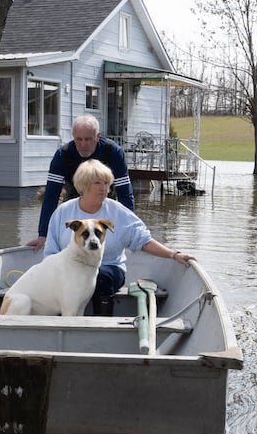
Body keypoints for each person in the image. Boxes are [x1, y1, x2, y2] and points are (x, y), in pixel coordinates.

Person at [44, 159, 194, 315]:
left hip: (110, 269)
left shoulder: (118, 211)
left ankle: (102, 323)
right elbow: (51, 252)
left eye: (107, 183)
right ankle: (60, 325)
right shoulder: (63, 212)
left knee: (100, 276)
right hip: (71, 271)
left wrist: (173, 254)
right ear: (84, 185)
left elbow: (143, 239)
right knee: (62, 283)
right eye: (98, 183)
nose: (104, 189)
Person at [29, 113, 135, 251]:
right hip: (75, 201)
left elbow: (125, 193)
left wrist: (131, 230)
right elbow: (51, 196)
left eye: (88, 139)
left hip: (106, 200)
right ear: (73, 136)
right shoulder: (63, 155)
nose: (83, 144)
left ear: (98, 136)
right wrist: (43, 234)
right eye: (78, 139)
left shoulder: (113, 152)